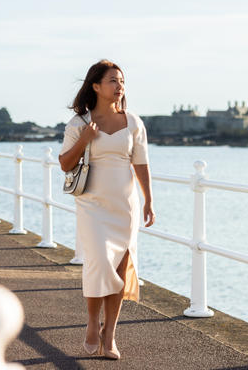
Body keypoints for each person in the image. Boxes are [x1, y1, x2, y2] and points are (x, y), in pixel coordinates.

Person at [59, 60, 154, 360]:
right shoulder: (78, 124)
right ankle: (91, 321)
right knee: (99, 262)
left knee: (120, 268)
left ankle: (109, 334)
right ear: (96, 86)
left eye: (121, 81)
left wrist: (149, 200)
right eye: (112, 80)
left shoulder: (134, 122)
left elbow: (141, 163)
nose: (119, 85)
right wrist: (85, 139)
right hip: (92, 205)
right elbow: (64, 164)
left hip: (124, 205)